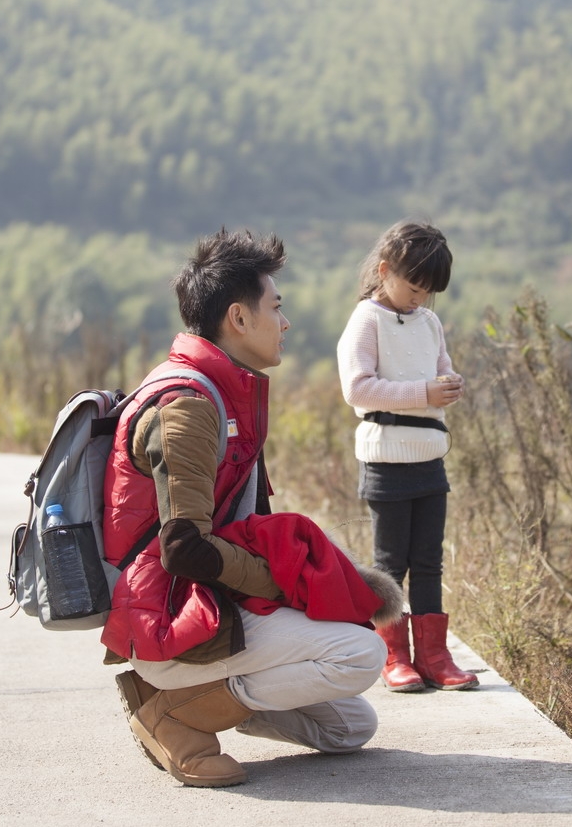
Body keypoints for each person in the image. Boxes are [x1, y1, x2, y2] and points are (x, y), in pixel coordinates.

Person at [101, 228, 395, 787]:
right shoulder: (187, 407)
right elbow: (183, 548)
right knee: (360, 654)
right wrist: (283, 585)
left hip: (205, 600)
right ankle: (171, 709)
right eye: (276, 308)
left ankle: (199, 693)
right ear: (238, 318)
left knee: (349, 729)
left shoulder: (227, 392)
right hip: (171, 613)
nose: (284, 323)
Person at [336, 220, 480, 693]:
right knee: (390, 561)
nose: (419, 298)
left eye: (428, 292)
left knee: (429, 560)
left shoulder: (429, 322)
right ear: (384, 270)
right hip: (386, 457)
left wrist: (449, 384)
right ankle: (393, 656)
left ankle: (435, 656)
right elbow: (357, 388)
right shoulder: (366, 319)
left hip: (429, 456)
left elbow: (440, 371)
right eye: (413, 287)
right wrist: (424, 393)